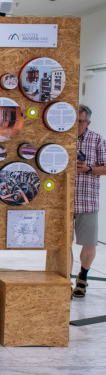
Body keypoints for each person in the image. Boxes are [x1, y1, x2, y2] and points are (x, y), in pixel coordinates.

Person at [72, 105, 106, 298]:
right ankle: (63, 283)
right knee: (62, 244)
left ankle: (83, 277)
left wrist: (90, 169)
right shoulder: (62, 138)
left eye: (80, 121)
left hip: (88, 200)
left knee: (89, 243)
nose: (76, 125)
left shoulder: (97, 140)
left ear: (88, 122)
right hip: (65, 201)